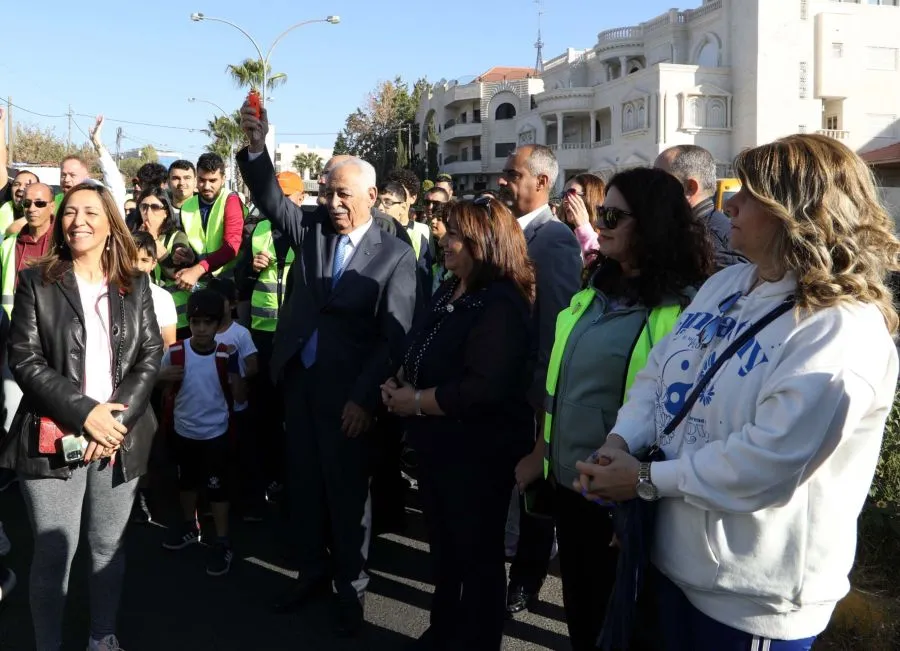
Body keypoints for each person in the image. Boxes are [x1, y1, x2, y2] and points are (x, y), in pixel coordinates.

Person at [577, 134, 900, 651]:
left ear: (796, 212)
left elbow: (767, 462)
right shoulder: (725, 285)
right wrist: (622, 439)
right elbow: (660, 376)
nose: (730, 204)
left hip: (752, 600)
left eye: (748, 194)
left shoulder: (841, 329)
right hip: (669, 565)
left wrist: (642, 478)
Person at [515, 167, 714, 650]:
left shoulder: (683, 311)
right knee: (583, 621)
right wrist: (541, 451)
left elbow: (681, 424)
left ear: (651, 225)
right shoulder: (595, 290)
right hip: (570, 489)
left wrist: (639, 510)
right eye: (600, 214)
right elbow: (559, 383)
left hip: (624, 505)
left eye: (612, 215)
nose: (598, 223)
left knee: (625, 631)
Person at [238, 100, 417, 637]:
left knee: (346, 495)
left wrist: (365, 399)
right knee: (305, 488)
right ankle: (310, 572)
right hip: (301, 385)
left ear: (371, 197)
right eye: (325, 192)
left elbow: (396, 339)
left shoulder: (395, 255)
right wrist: (256, 149)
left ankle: (351, 589)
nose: (332, 203)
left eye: (343, 194)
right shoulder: (311, 231)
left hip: (351, 398)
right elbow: (271, 198)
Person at [0, 181, 163, 651]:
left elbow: (151, 354)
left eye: (91, 212)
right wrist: (86, 414)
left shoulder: (136, 282)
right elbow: (25, 359)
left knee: (107, 548)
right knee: (53, 554)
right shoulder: (36, 280)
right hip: (53, 436)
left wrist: (114, 423)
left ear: (111, 223)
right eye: (70, 212)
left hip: (120, 438)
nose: (78, 221)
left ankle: (102, 635)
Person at [382, 196, 535, 649]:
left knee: (479, 560)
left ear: (483, 243)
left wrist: (416, 402)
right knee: (446, 554)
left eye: (455, 235)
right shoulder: (451, 288)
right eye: (445, 232)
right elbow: (420, 345)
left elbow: (483, 388)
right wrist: (398, 379)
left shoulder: (502, 303)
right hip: (438, 449)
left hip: (477, 455)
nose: (443, 242)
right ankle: (444, 629)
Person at [499, 144, 582, 615]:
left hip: (531, 399)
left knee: (533, 497)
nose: (502, 182)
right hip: (500, 391)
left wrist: (541, 407)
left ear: (542, 182)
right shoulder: (509, 232)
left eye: (512, 174)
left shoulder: (553, 242)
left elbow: (555, 330)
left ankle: (524, 583)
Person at [158, 289, 240, 576]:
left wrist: (235, 372)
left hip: (216, 434)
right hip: (184, 431)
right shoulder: (176, 352)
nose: (201, 328)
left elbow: (240, 396)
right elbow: (162, 383)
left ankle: (222, 539)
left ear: (218, 325)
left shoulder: (224, 355)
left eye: (208, 322)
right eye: (195, 322)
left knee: (218, 489)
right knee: (187, 484)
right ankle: (190, 527)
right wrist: (162, 378)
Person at [207, 277, 261, 519]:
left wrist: (234, 372)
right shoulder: (204, 331)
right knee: (215, 460)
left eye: (221, 302)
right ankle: (216, 502)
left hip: (237, 407)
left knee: (242, 457)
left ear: (232, 304)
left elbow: (253, 366)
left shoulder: (241, 333)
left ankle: (248, 504)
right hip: (211, 406)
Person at [654, 144, 746, 271]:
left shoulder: (712, 247)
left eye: (659, 181)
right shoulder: (685, 230)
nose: (652, 189)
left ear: (690, 187)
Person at [173, 153, 244, 290]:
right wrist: (185, 253)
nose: (206, 186)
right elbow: (193, 242)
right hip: (201, 280)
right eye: (201, 180)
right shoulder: (187, 206)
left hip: (229, 280)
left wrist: (197, 269)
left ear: (223, 179)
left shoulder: (231, 200)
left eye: (212, 180)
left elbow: (231, 249)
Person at [136, 186, 194, 334]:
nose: (148, 212)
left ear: (165, 212)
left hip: (177, 317)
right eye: (144, 207)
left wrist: (153, 239)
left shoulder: (177, 236)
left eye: (155, 207)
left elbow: (176, 273)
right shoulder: (133, 237)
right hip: (144, 316)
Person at [132, 231, 178, 349]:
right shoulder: (111, 292)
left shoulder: (163, 298)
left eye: (144, 260)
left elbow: (168, 343)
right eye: (131, 258)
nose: (138, 266)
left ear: (153, 264)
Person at [560, 173, 606, 263]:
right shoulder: (562, 234)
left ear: (591, 197)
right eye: (563, 194)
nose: (565, 200)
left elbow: (598, 266)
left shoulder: (608, 235)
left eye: (571, 193)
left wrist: (583, 227)